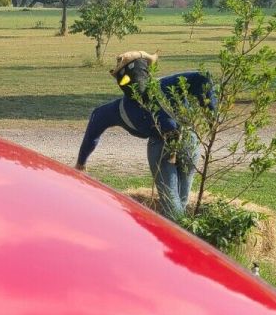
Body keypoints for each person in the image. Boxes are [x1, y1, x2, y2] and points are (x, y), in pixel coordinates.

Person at [74, 51, 215, 221]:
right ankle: (183, 232)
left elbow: (202, 78)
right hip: (170, 145)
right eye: (125, 78)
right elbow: (95, 123)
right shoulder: (121, 108)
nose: (131, 80)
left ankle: (180, 233)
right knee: (174, 202)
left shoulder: (166, 86)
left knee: (179, 200)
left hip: (184, 141)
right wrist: (81, 162)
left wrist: (210, 112)